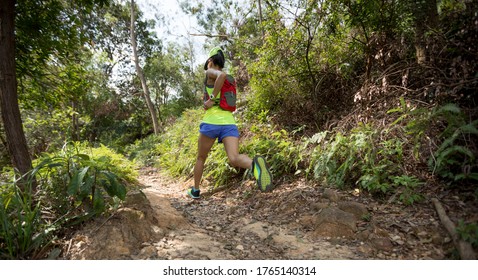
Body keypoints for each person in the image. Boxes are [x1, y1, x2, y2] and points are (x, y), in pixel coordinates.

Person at [187, 47, 273, 199]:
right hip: (229, 123)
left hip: (211, 123)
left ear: (210, 61)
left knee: (201, 158)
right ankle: (255, 165)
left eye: (207, 63)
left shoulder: (210, 73)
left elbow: (221, 75)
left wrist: (211, 99)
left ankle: (195, 190)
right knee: (234, 158)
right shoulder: (229, 81)